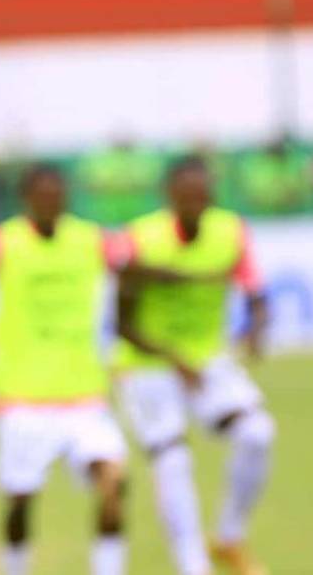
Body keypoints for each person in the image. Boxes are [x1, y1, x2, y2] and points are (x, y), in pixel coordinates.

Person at [0, 165, 133, 575]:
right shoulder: (2, 241)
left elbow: (137, 266)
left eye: (59, 195)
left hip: (84, 395)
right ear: (27, 199)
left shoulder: (91, 240)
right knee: (21, 501)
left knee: (114, 483)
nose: (53, 203)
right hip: (22, 399)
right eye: (44, 195)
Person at [115, 156, 274, 575]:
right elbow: (121, 324)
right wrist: (172, 360)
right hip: (148, 364)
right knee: (172, 460)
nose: (193, 203)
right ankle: (193, 566)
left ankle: (228, 536)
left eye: (201, 195)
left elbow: (257, 295)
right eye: (184, 196)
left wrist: (256, 331)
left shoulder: (231, 231)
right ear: (169, 196)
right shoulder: (141, 239)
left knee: (257, 433)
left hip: (207, 360)